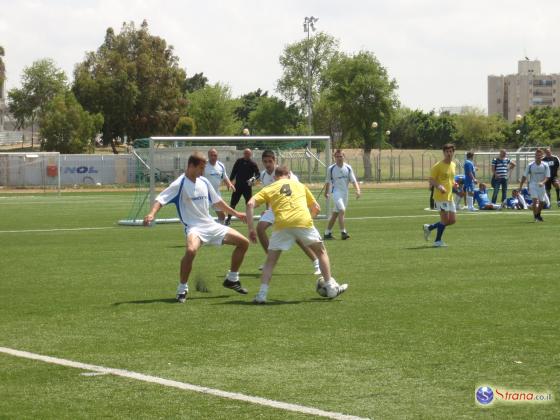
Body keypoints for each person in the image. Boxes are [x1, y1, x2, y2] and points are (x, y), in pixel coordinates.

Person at [143, 153, 250, 303]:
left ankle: (232, 279)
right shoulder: (179, 184)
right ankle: (182, 288)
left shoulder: (204, 182)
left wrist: (236, 213)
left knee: (244, 243)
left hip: (210, 225)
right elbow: (160, 200)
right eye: (201, 168)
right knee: (191, 250)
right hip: (194, 228)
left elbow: (218, 202)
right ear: (191, 166)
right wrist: (152, 213)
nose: (203, 171)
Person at [246, 166, 348, 304]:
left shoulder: (270, 187)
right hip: (302, 222)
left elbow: (250, 203)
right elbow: (316, 207)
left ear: (275, 177)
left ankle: (261, 295)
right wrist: (308, 219)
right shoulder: (300, 185)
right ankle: (330, 286)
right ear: (288, 175)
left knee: (270, 261)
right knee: (321, 252)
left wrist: (251, 228)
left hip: (281, 224)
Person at [256, 150, 321, 275]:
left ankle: (316, 261)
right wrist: (267, 208)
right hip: (274, 209)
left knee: (298, 237)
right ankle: (270, 260)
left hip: (290, 208)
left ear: (275, 161)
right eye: (265, 161)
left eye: (270, 161)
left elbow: (294, 193)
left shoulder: (285, 174)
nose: (268, 164)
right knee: (260, 228)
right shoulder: (263, 175)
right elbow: (269, 194)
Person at [423, 144, 457, 247]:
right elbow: (431, 179)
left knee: (452, 220)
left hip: (450, 197)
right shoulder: (438, 166)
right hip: (440, 197)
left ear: (453, 152)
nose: (449, 153)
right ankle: (437, 241)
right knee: (445, 220)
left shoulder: (453, 165)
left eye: (451, 151)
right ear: (444, 153)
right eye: (447, 151)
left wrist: (454, 183)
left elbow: (450, 179)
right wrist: (439, 187)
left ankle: (429, 228)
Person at [323, 150, 361, 240]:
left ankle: (327, 233)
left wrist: (358, 190)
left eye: (340, 156)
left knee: (335, 214)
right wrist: (326, 192)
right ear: (334, 158)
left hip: (345, 194)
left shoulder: (348, 168)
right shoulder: (331, 169)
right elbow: (328, 182)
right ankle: (343, 232)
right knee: (342, 210)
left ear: (344, 157)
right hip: (336, 193)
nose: (339, 158)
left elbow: (353, 181)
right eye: (337, 157)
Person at [225, 148, 260, 225]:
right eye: (245, 153)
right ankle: (228, 219)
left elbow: (258, 174)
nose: (246, 155)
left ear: (250, 154)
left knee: (249, 204)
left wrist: (253, 178)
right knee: (233, 203)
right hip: (238, 187)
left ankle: (248, 219)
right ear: (243, 154)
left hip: (247, 187)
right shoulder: (239, 161)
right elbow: (234, 171)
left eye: (248, 153)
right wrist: (230, 182)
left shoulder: (253, 163)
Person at [204, 148, 236, 224]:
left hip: (216, 194)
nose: (213, 157)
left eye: (215, 155)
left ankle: (219, 233)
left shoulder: (220, 165)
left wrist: (229, 183)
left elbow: (224, 176)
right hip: (205, 194)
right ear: (208, 156)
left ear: (217, 156)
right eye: (211, 155)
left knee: (222, 216)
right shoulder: (204, 165)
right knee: (203, 217)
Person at [519, 148, 550, 222]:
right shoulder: (530, 165)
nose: (538, 156)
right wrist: (520, 186)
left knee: (542, 202)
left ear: (542, 156)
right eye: (536, 155)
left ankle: (538, 215)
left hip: (541, 185)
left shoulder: (545, 165)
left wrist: (543, 182)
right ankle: (536, 217)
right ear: (535, 156)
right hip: (533, 185)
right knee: (535, 200)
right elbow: (524, 176)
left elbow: (547, 177)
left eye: (539, 155)